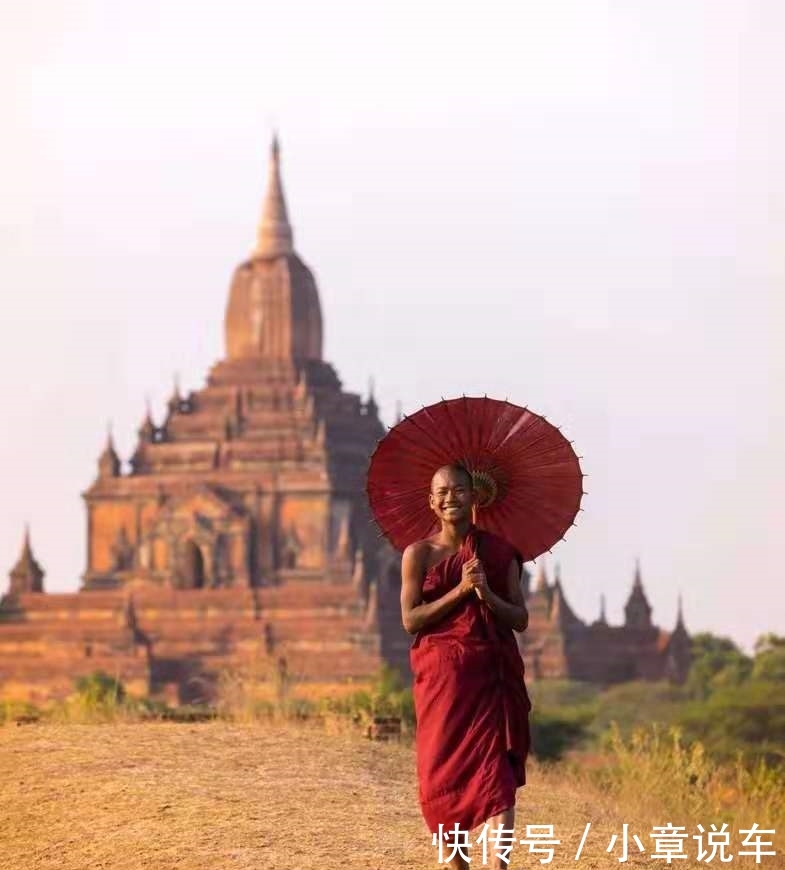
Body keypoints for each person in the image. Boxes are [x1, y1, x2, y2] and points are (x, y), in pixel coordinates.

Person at [400, 463, 532, 870]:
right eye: (441, 492)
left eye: (458, 490)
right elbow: (410, 620)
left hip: (489, 676)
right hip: (441, 682)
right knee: (440, 777)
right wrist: (460, 590)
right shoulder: (418, 554)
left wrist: (486, 593)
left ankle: (498, 867)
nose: (449, 498)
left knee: (497, 776)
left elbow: (520, 619)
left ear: (476, 498)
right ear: (431, 502)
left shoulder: (499, 553)